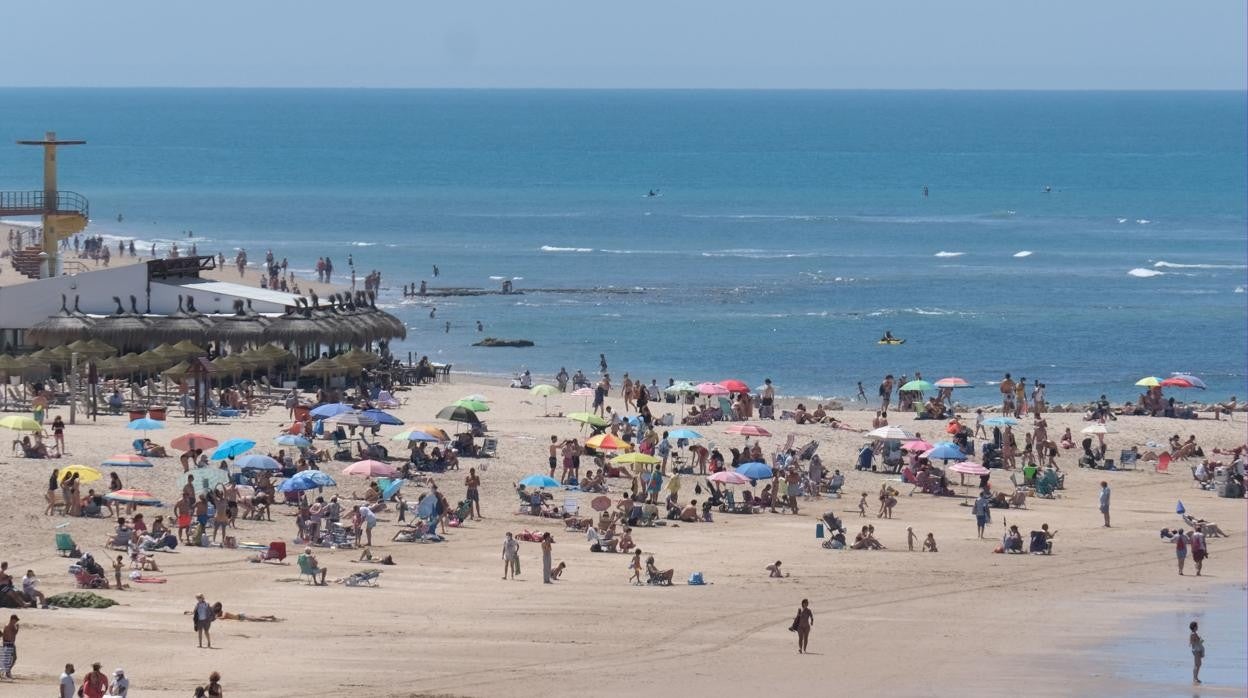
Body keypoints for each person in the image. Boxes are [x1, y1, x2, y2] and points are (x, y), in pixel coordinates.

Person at [1190, 621, 1204, 685]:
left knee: (1199, 664)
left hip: (1197, 649)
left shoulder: (1194, 633)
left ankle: (1196, 677)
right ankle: (1194, 678)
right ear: (1194, 627)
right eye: (1197, 626)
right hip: (1196, 650)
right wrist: (1200, 640)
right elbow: (1194, 642)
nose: (1197, 627)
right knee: (1196, 664)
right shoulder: (1193, 634)